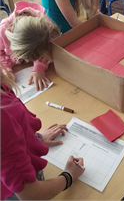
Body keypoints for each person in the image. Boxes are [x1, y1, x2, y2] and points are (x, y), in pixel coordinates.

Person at [1, 66, 85, 200]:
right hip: (13, 192)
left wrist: (35, 139)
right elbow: (31, 195)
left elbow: (15, 125)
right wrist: (69, 175)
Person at [0, 1, 61, 91]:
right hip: (16, 67)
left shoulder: (46, 31)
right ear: (11, 33)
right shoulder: (3, 29)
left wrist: (39, 67)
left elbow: (49, 51)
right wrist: (6, 69)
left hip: (28, 67)